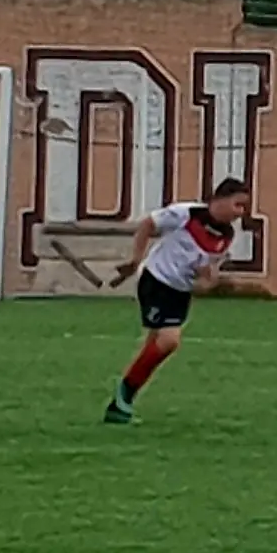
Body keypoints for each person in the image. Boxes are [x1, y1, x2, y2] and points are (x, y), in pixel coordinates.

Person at [106, 177, 252, 423]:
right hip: (156, 279)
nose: (241, 212)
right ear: (221, 199)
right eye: (238, 205)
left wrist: (210, 281)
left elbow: (205, 270)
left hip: (180, 291)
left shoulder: (226, 235)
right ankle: (124, 395)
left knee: (156, 345)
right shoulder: (186, 214)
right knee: (168, 340)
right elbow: (147, 225)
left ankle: (120, 406)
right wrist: (135, 260)